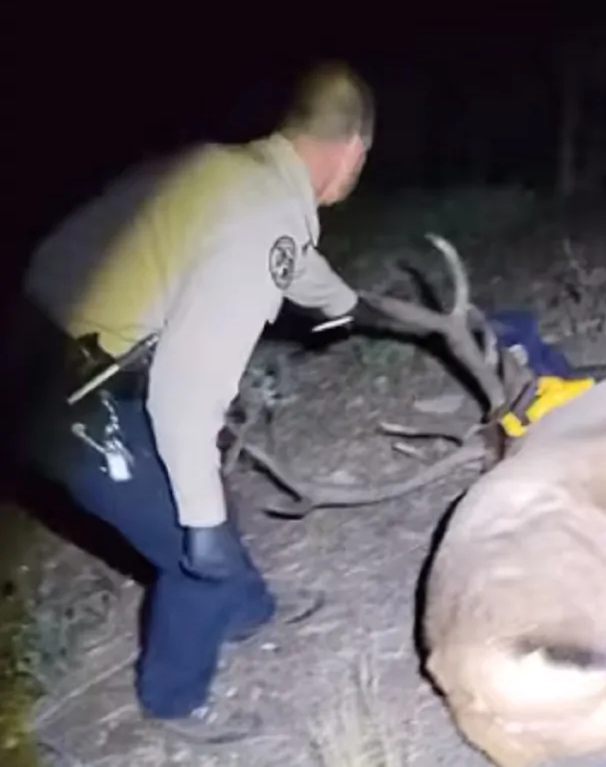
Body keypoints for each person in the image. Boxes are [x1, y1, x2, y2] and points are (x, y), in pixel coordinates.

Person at [16, 61, 394, 744]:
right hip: (68, 397)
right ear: (353, 148)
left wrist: (353, 309)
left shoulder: (241, 173)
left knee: (199, 499)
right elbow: (188, 392)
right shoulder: (262, 215)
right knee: (197, 542)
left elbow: (295, 260)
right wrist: (201, 520)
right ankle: (173, 700)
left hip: (48, 355)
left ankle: (249, 610)